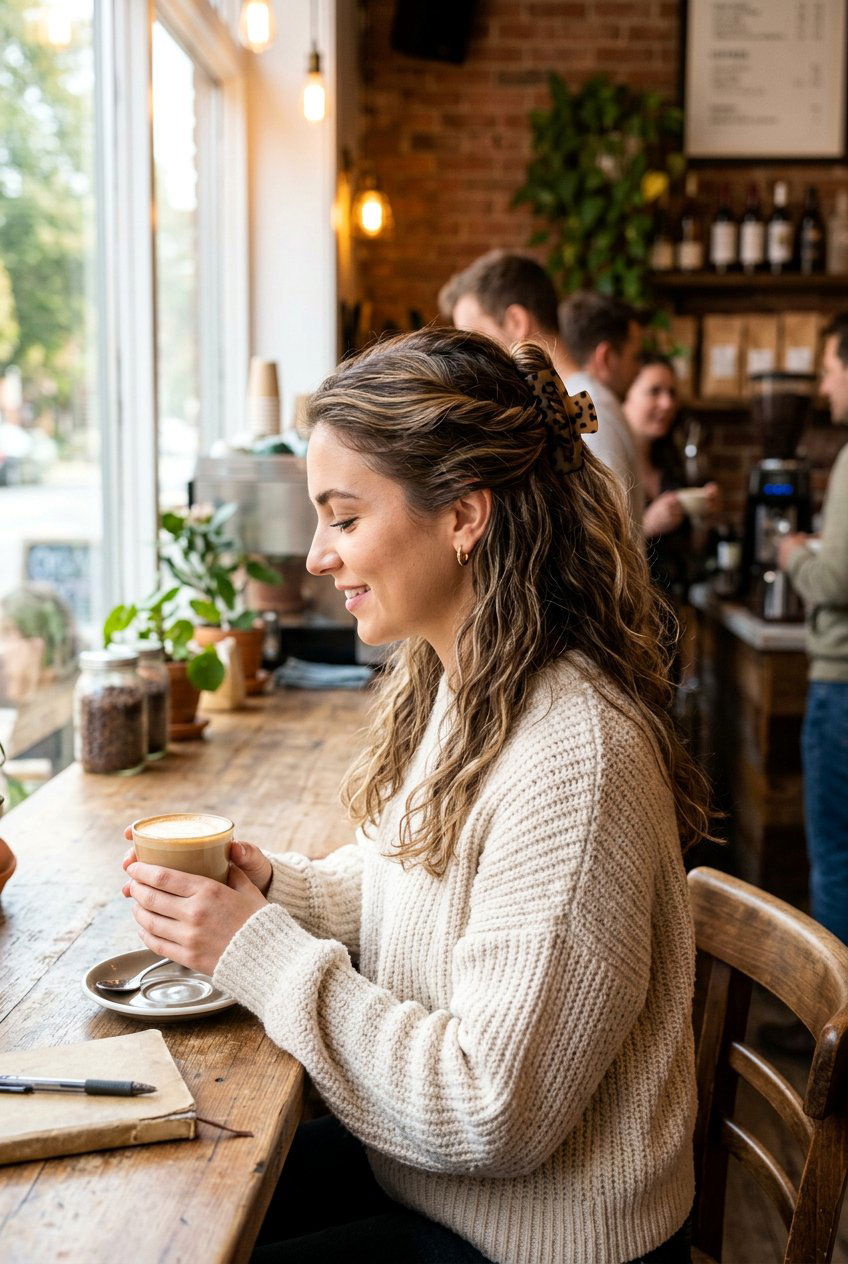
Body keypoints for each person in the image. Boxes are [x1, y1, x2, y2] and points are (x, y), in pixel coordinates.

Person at [122, 327, 711, 1264]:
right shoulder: (463, 681)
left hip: (532, 1240)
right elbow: (416, 893)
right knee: (160, 1207)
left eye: (344, 519)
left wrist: (260, 956)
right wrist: (274, 889)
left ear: (464, 517)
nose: (319, 557)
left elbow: (493, 1109)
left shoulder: (576, 756)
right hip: (437, 1188)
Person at [778, 312, 848, 950]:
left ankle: (831, 1024)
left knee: (834, 856)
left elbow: (834, 582)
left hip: (841, 685)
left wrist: (794, 553)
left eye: (829, 370)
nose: (825, 389)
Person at [623, 353, 720, 598]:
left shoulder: (671, 466)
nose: (667, 403)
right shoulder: (609, 465)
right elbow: (591, 551)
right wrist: (647, 526)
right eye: (654, 391)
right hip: (629, 612)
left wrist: (702, 518)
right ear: (626, 396)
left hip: (672, 609)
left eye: (672, 393)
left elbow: (691, 550)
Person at [561, 291, 645, 532]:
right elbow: (606, 524)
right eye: (634, 357)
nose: (639, 369)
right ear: (606, 356)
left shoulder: (575, 397)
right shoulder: (593, 407)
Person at [438, 248, 576, 384]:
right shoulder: (572, 399)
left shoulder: (579, 403)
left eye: (475, 337)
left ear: (516, 322)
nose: (469, 355)